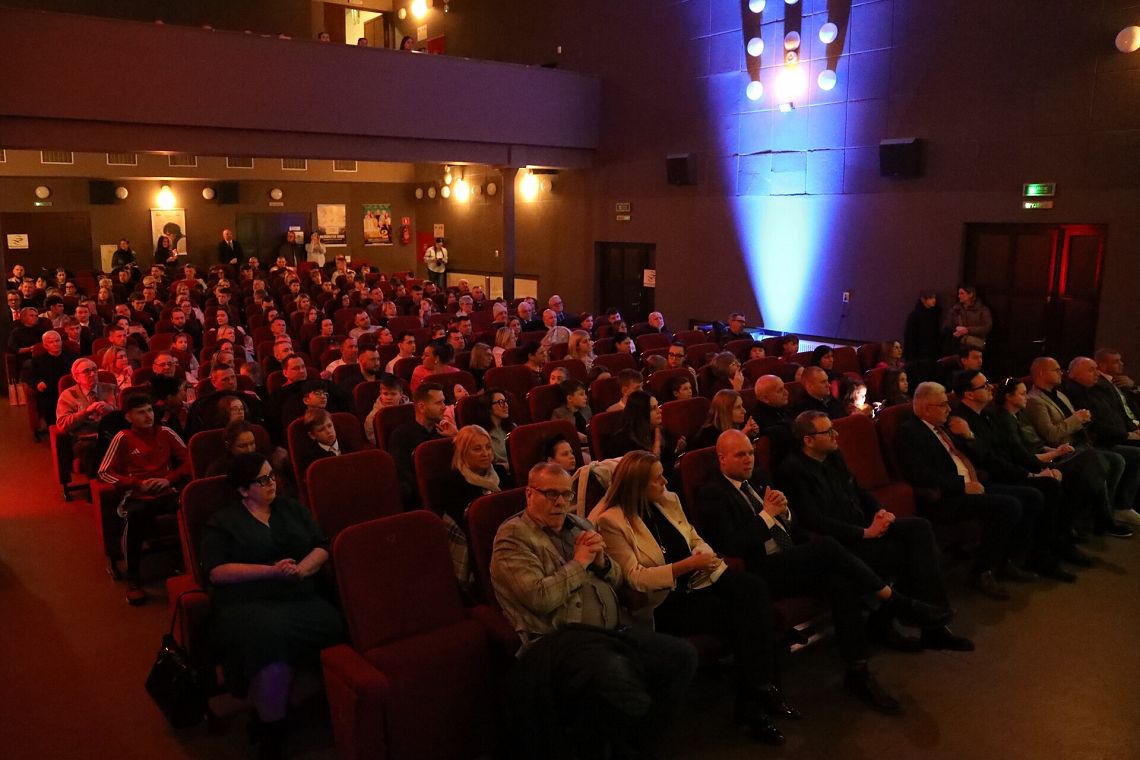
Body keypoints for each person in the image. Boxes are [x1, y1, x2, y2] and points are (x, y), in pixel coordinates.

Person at [697, 430, 947, 714]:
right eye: (740, 455)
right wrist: (767, 515)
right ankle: (896, 601)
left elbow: (791, 520)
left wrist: (784, 512)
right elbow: (732, 544)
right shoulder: (712, 493)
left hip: (792, 555)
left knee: (841, 582)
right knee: (826, 546)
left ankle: (858, 671)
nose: (748, 460)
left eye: (751, 453)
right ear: (722, 458)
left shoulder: (759, 477)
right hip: (761, 569)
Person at [490, 462, 698, 760]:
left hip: (609, 634)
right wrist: (580, 562)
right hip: (558, 643)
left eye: (566, 494)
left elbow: (617, 579)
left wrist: (602, 563)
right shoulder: (513, 538)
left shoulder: (580, 524)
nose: (560, 502)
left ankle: (634, 742)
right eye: (550, 494)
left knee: (681, 656)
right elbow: (540, 598)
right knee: (620, 682)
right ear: (529, 494)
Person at [589, 451, 793, 745]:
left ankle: (759, 693)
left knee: (754, 589)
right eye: (657, 479)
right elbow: (634, 578)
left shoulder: (668, 501)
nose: (665, 481)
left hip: (701, 578)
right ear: (638, 486)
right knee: (743, 616)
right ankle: (757, 701)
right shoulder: (613, 522)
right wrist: (686, 566)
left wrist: (705, 557)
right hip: (667, 600)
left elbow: (694, 537)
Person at [778, 412, 974, 651]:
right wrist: (865, 533)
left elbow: (860, 491)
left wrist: (880, 512)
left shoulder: (833, 456)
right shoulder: (793, 470)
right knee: (915, 556)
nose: (835, 434)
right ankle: (899, 625)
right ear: (808, 440)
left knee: (919, 529)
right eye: (827, 432)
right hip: (843, 544)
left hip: (866, 526)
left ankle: (929, 626)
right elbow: (814, 520)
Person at [200, 453, 344, 759]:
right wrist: (270, 571)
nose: (271, 483)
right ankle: (272, 728)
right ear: (243, 490)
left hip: (299, 595)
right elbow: (216, 571)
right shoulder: (223, 522)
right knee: (268, 639)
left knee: (333, 623)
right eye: (262, 480)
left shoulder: (291, 509)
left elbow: (321, 546)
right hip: (248, 601)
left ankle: (286, 704)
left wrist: (302, 569)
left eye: (272, 476)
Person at [895, 382, 1034, 599]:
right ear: (926, 408)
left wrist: (968, 435)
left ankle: (1006, 560)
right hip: (947, 497)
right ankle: (981, 572)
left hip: (975, 482)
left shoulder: (945, 427)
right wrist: (963, 486)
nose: (949, 409)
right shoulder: (909, 433)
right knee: (1009, 506)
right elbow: (920, 475)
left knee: (1031, 496)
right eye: (943, 405)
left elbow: (979, 455)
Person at [951, 370, 1082, 580]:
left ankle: (1052, 545)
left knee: (1061, 480)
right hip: (987, 477)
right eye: (984, 386)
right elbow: (987, 459)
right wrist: (1028, 475)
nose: (991, 387)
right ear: (969, 394)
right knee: (1042, 490)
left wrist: (1035, 470)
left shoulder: (986, 414)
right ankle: (1038, 554)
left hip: (1003, 470)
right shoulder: (959, 421)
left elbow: (1009, 450)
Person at [993, 376, 1127, 539]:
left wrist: (1056, 450)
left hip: (1045, 456)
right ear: (1008, 396)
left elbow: (1036, 444)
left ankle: (1091, 519)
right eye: (1022, 394)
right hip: (1036, 463)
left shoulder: (1019, 415)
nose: (1026, 397)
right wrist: (1055, 453)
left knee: (1093, 462)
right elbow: (1024, 455)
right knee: (1088, 462)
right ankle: (1083, 523)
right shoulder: (1005, 420)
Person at [98, 391, 191, 604]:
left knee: (191, 506)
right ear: (129, 417)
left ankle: (188, 564)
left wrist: (169, 479)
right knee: (134, 518)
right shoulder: (123, 437)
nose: (148, 416)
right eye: (141, 412)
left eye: (149, 411)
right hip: (137, 495)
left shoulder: (165, 432)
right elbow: (104, 472)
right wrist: (136, 483)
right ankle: (133, 578)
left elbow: (189, 460)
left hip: (167, 490)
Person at [1064, 356, 1140, 525]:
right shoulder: (1075, 392)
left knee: (1130, 455)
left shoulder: (1094, 389)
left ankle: (1120, 506)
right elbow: (1095, 424)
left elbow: (1117, 413)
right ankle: (1114, 510)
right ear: (1075, 374)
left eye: (1096, 369)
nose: (1097, 373)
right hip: (1097, 442)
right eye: (1091, 369)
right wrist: (1125, 435)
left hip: (1110, 436)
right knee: (1128, 456)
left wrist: (1130, 429)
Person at [388, 382, 457, 503]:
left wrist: (456, 436)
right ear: (421, 407)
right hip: (424, 497)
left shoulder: (445, 430)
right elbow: (404, 477)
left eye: (443, 402)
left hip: (452, 491)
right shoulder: (401, 435)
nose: (444, 407)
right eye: (438, 403)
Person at [56, 357, 118, 475]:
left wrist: (111, 410)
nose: (92, 374)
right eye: (86, 371)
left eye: (94, 370)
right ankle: (97, 483)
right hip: (86, 438)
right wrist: (86, 412)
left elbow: (127, 414)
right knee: (90, 448)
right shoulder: (68, 395)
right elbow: (62, 424)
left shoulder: (111, 389)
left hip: (111, 434)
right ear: (76, 377)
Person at [605, 390, 684, 480]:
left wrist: (677, 451)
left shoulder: (661, 431)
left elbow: (668, 462)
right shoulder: (622, 441)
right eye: (653, 408)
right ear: (641, 413)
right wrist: (656, 451)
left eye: (658, 406)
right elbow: (631, 476)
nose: (660, 411)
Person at [29, 330, 78, 427]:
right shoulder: (37, 361)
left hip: (71, 390)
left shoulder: (72, 356)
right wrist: (37, 383)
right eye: (51, 342)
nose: (55, 344)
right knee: (49, 408)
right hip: (50, 393)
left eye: (57, 341)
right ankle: (54, 429)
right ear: (45, 345)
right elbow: (30, 377)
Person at [692, 389, 759, 449]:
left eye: (742, 406)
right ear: (725, 411)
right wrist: (742, 435)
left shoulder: (738, 425)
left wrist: (751, 436)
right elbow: (725, 454)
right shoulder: (708, 435)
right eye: (738, 407)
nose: (744, 411)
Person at [903, 289, 941, 386]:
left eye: (934, 298)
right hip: (918, 355)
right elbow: (910, 337)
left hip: (930, 354)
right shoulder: (914, 316)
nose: (934, 300)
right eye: (931, 298)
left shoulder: (933, 315)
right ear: (923, 300)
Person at [945, 284, 992, 351]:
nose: (959, 296)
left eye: (962, 293)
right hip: (958, 346)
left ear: (970, 294)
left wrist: (968, 330)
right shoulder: (955, 309)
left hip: (975, 345)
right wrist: (956, 329)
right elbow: (948, 324)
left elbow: (987, 327)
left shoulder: (982, 310)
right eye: (959, 293)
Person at [363, 375, 407, 446]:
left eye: (393, 394)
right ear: (380, 393)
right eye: (385, 394)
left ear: (401, 394)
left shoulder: (409, 408)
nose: (389, 398)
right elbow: (372, 437)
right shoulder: (373, 416)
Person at [551, 379, 592, 445]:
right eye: (581, 394)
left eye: (585, 394)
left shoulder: (586, 409)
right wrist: (574, 435)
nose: (585, 397)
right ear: (569, 398)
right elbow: (556, 435)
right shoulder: (558, 413)